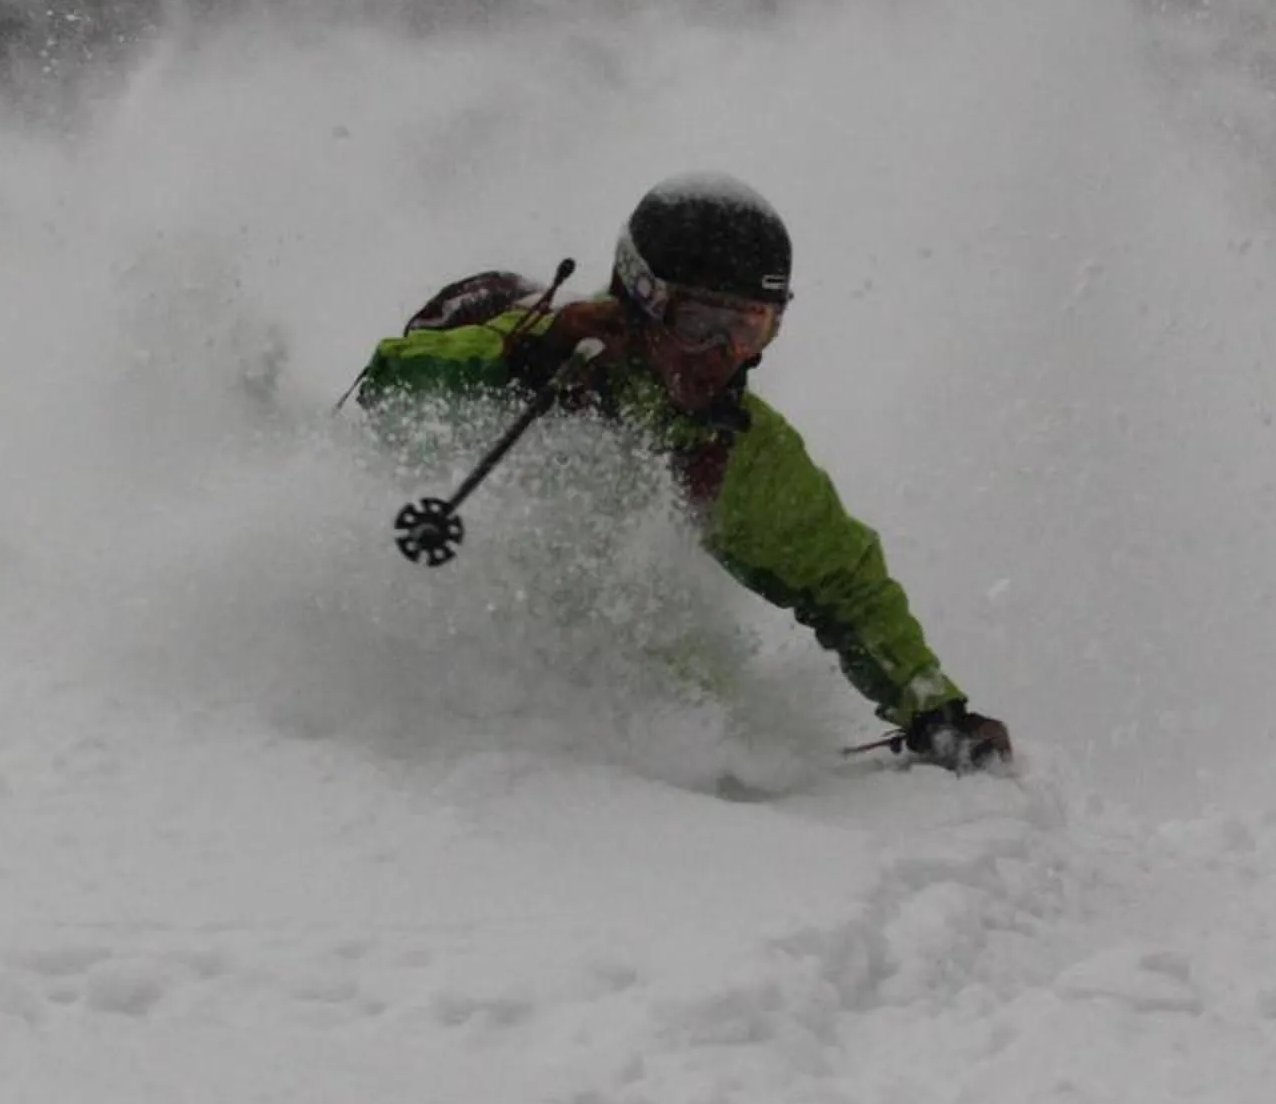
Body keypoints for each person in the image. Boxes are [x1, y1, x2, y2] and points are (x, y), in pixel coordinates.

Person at [353, 173, 1013, 771]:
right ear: (643, 298)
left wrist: (932, 708)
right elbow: (387, 386)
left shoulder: (739, 451)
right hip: (437, 539)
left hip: (581, 618)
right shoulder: (551, 357)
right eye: (701, 322)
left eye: (750, 329)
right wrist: (524, 359)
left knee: (682, 669)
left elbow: (845, 583)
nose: (721, 354)